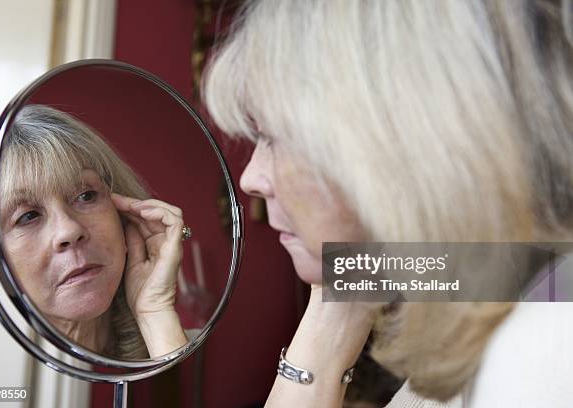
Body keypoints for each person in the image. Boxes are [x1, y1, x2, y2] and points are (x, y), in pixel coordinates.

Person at [203, 0, 573, 406]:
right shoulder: (506, 280)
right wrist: (344, 289)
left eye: (273, 137)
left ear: (389, 135)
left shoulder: (538, 349)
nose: (251, 179)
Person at [0, 104, 188, 359]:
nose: (69, 230)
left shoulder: (180, 342)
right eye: (28, 216)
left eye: (85, 196)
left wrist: (154, 312)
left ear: (122, 215)